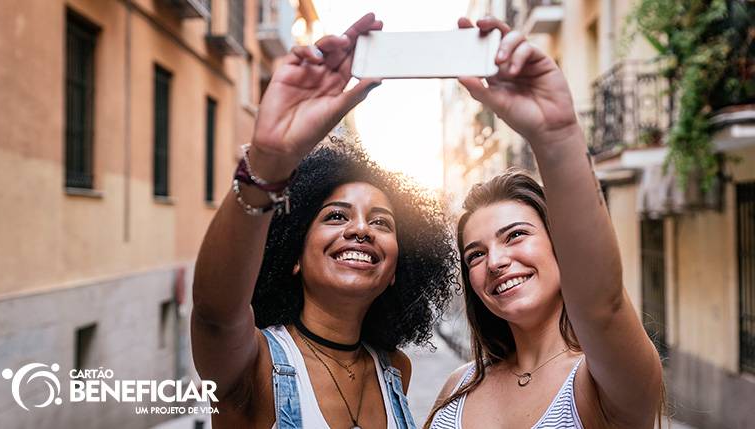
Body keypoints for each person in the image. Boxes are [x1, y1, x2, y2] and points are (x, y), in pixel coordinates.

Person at [191, 13, 458, 429]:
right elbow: (214, 313)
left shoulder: (395, 371)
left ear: (394, 273)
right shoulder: (252, 364)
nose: (360, 229)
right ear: (294, 254)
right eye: (336, 216)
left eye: (382, 223)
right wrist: (268, 163)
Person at [426, 16, 663, 429]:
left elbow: (602, 306)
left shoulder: (605, 384)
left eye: (515, 235)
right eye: (475, 254)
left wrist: (557, 136)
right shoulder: (456, 388)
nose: (495, 261)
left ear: (560, 246)